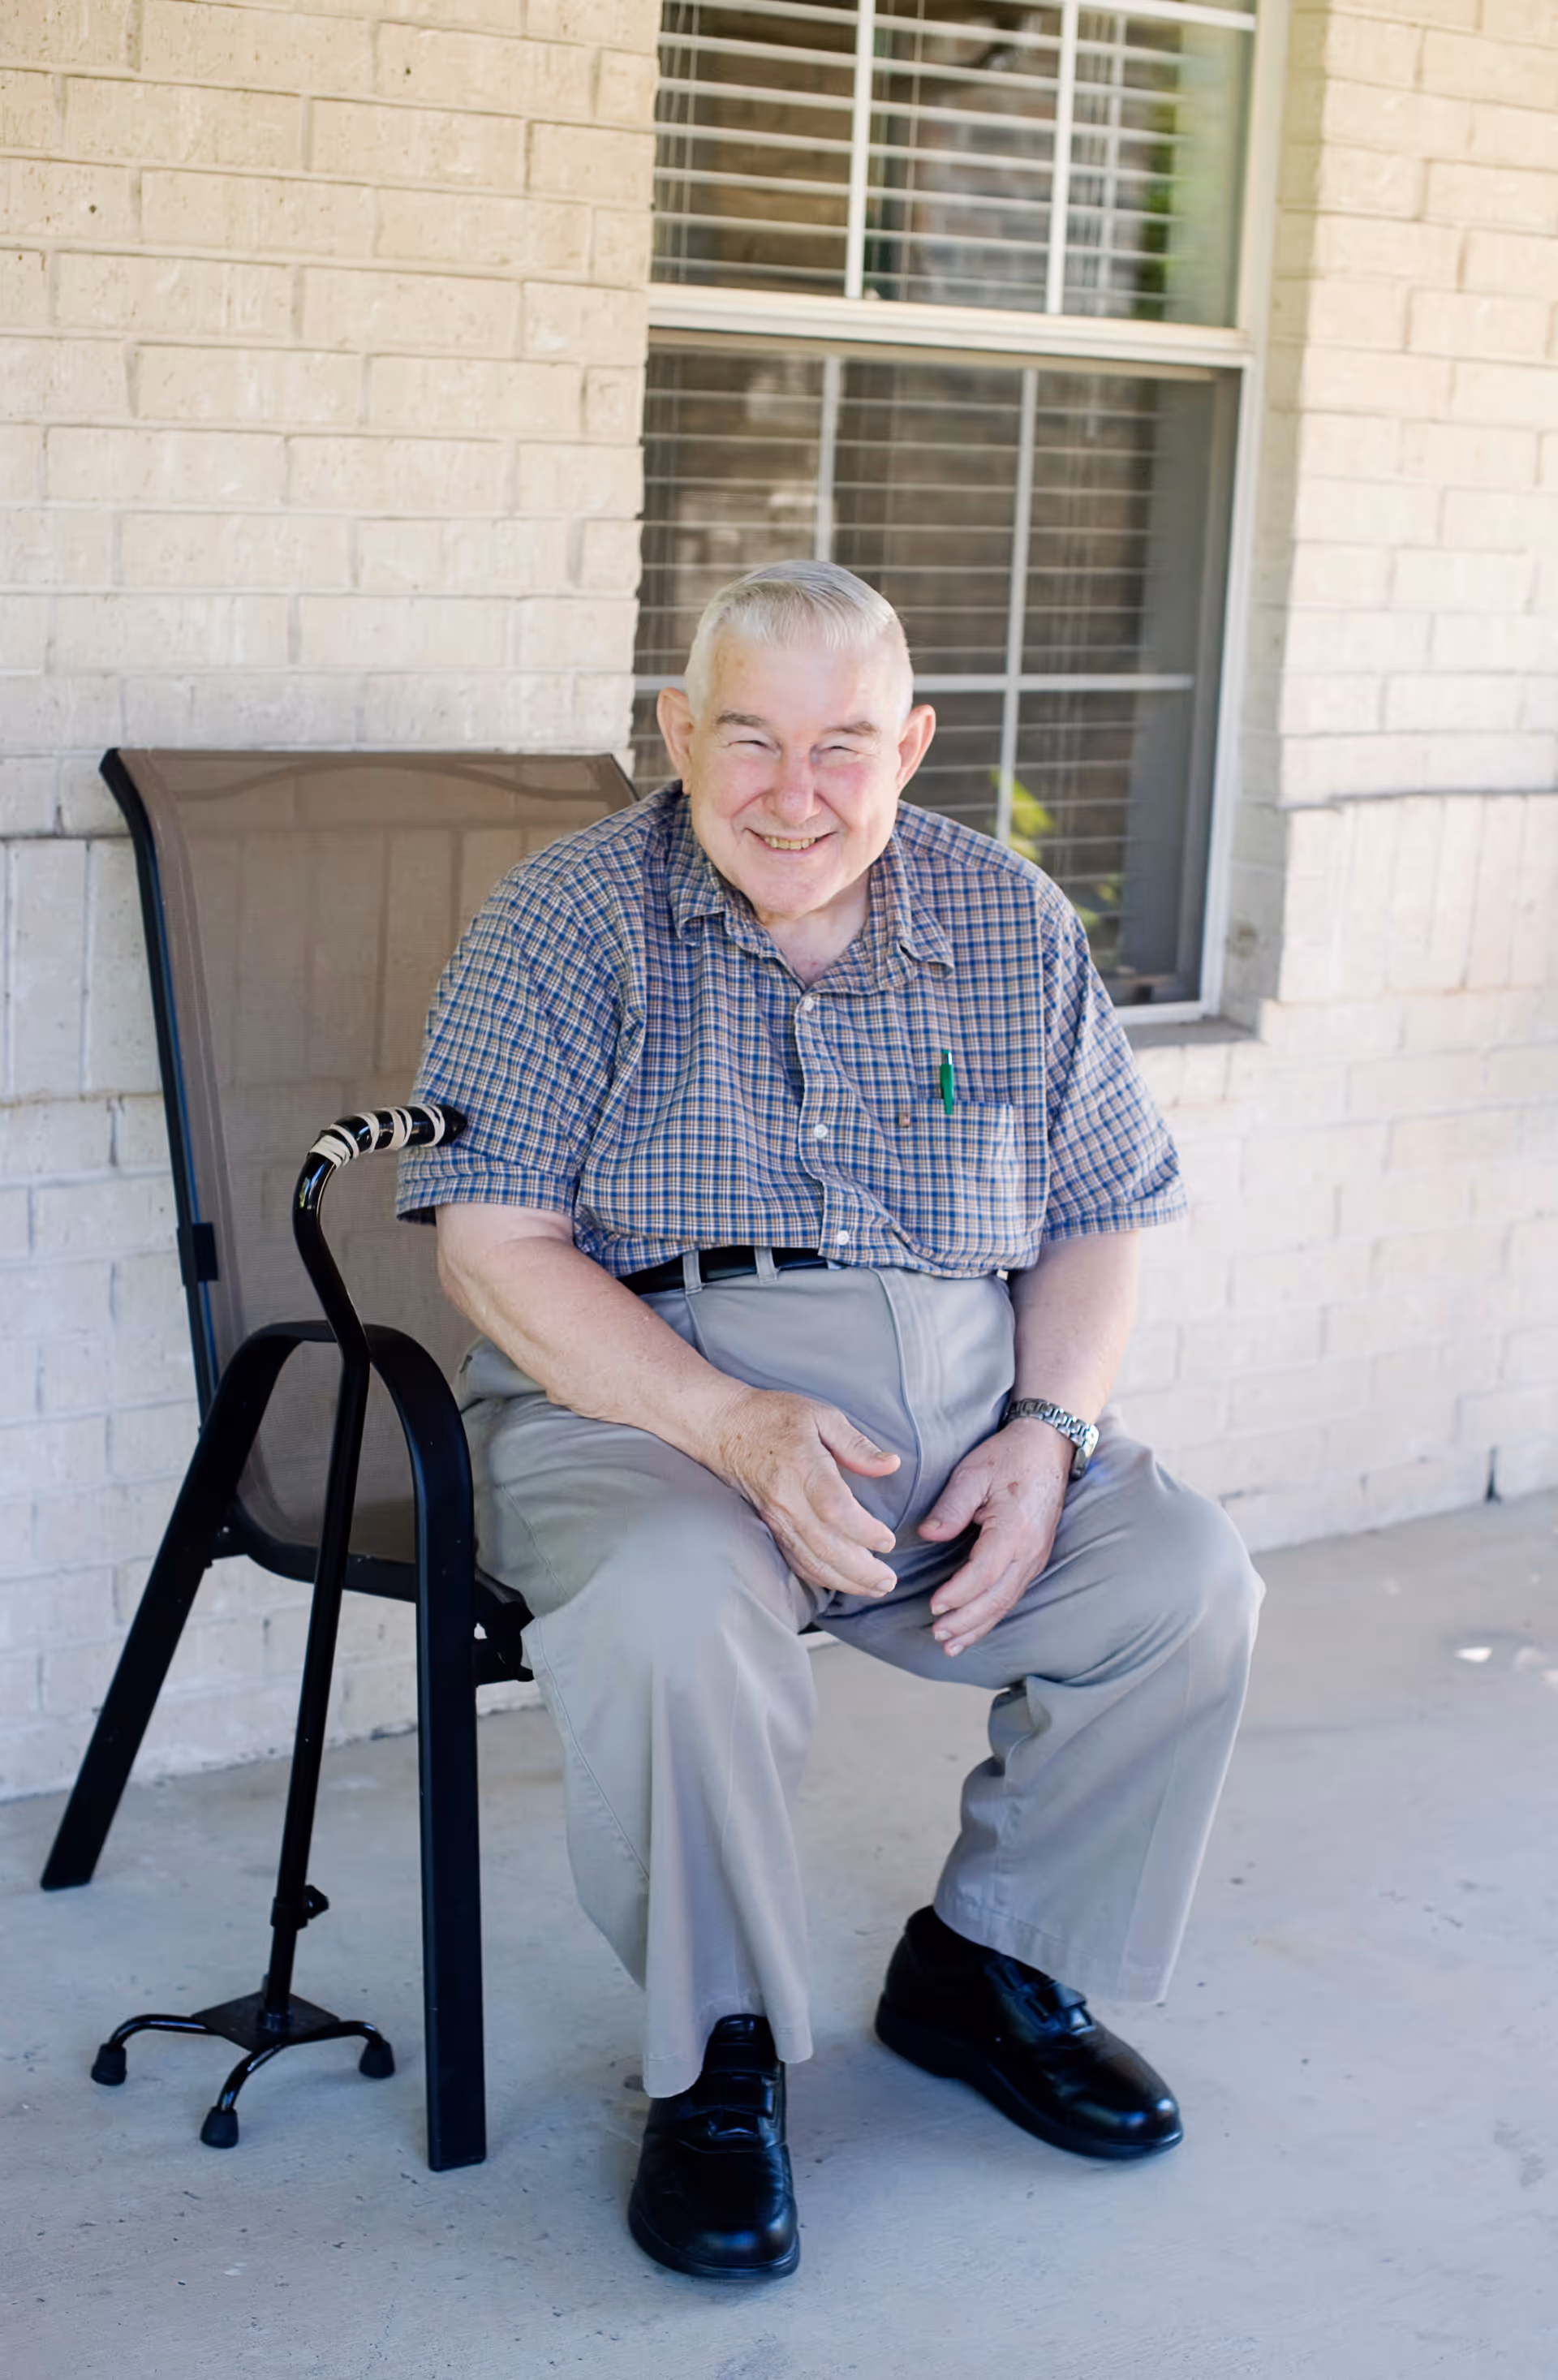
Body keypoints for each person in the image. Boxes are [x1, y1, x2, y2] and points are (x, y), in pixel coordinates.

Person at [398, 561, 1263, 2283]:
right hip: (641, 1399)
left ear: (912, 745)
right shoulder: (567, 918)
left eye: (844, 746)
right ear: (675, 733)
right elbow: (494, 1244)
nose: (797, 792)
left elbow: (1101, 1209)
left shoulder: (1007, 919)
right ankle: (717, 2060)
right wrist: (727, 1423)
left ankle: (988, 1964)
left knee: (1184, 1579)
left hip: (956, 1414)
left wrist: (1051, 1428)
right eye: (751, 739)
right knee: (668, 1613)